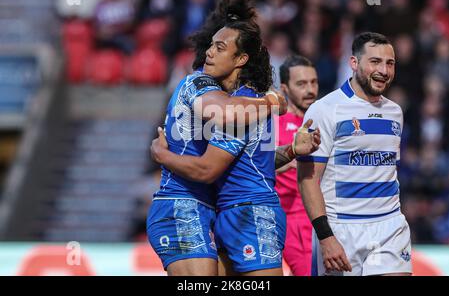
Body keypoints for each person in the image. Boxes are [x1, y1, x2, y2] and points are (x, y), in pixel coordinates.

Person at [151, 21, 321, 276]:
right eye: (211, 46)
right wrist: (274, 101)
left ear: (241, 59)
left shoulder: (245, 101)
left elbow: (248, 162)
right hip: (191, 206)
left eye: (219, 48)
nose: (209, 52)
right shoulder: (211, 91)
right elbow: (213, 157)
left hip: (225, 211)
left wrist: (290, 151)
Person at [298, 32, 412, 276]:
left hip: (389, 225)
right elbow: (308, 179)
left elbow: (388, 171)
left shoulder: (395, 112)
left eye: (390, 63)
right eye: (375, 62)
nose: (384, 70)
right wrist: (326, 237)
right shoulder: (324, 110)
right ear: (354, 63)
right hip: (342, 229)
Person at [275, 55, 319, 276]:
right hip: (289, 218)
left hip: (323, 216)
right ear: (284, 88)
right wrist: (282, 162)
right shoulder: (272, 124)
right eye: (301, 84)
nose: (310, 89)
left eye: (313, 82)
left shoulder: (326, 120)